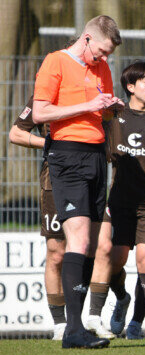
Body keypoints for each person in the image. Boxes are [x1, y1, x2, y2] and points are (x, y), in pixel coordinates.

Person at [32, 15, 123, 349]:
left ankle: (77, 327)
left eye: (108, 55)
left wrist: (112, 108)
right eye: (100, 52)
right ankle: (72, 330)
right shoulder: (56, 61)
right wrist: (88, 105)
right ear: (86, 39)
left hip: (97, 155)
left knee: (91, 246)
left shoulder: (101, 68)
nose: (103, 59)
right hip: (67, 155)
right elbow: (41, 113)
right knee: (79, 240)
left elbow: (103, 113)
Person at [83, 60, 145, 340]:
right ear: (130, 87)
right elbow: (99, 148)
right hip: (120, 202)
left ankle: (137, 324)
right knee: (114, 260)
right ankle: (122, 299)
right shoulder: (115, 117)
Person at [9, 98, 67, 340]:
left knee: (91, 249)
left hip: (87, 177)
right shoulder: (42, 99)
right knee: (56, 251)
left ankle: (91, 315)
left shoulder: (89, 91)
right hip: (53, 179)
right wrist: (48, 143)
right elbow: (16, 133)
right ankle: (61, 323)